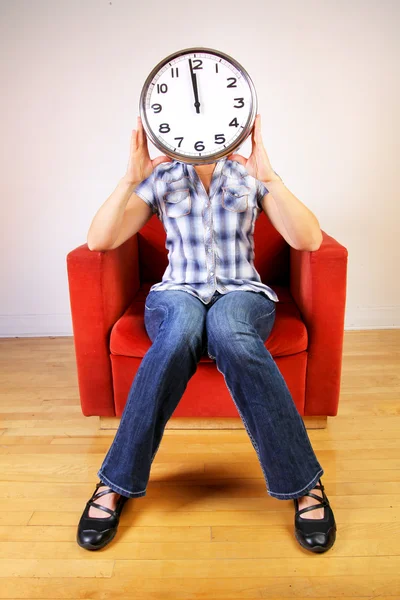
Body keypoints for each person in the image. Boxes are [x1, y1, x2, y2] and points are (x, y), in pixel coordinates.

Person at [77, 114, 336, 553]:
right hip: (177, 293)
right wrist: (128, 180)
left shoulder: (248, 173)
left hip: (243, 294)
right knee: (180, 331)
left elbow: (308, 239)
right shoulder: (161, 179)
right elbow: (99, 241)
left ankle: (303, 484)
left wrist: (270, 177)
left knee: (229, 330)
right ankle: (116, 482)